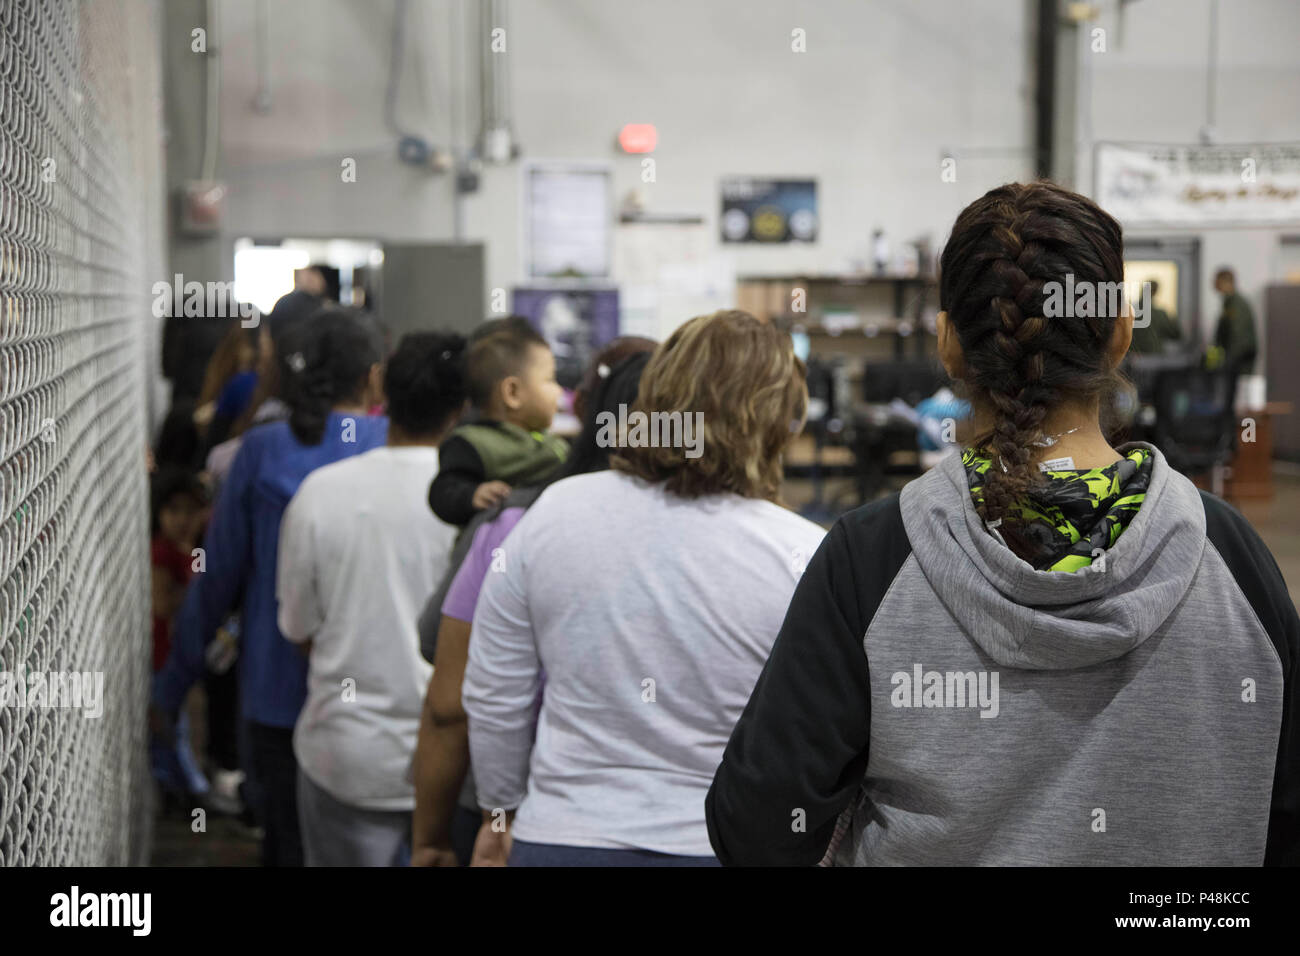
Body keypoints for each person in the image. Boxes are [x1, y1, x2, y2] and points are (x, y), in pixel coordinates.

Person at [705, 182, 1299, 866]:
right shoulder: (1234, 559)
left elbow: (757, 829)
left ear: (949, 345)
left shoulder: (869, 561)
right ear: (1119, 336)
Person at [461, 310, 827, 866]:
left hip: (563, 836)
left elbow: (495, 692)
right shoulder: (800, 552)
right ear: (780, 421)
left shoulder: (556, 513)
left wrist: (498, 810)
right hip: (723, 844)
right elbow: (822, 736)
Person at [153, 306, 388, 867]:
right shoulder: (397, 450)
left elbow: (216, 578)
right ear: (373, 377)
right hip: (384, 697)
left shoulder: (263, 451)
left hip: (279, 697)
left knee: (287, 846)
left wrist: (171, 686)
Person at [410, 337, 656, 867]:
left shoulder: (516, 519)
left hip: (520, 813)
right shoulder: (736, 537)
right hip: (681, 826)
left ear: (587, 411)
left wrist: (429, 839)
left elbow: (450, 703)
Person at [276, 332, 467, 866]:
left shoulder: (320, 492)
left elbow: (299, 629)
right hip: (457, 764)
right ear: (464, 406)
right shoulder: (485, 508)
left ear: (381, 386)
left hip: (346, 754)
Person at [427, 317, 568, 527]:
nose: (560, 390)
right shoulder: (472, 443)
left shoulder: (550, 440)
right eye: (550, 379)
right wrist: (471, 494)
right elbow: (443, 490)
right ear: (512, 392)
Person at [1211, 267, 1258, 375]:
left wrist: (1228, 360)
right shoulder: (1228, 303)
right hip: (1234, 359)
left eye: (1217, 281)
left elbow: (1237, 334)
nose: (1214, 284)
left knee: (1236, 390)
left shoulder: (1236, 304)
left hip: (1240, 360)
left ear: (1225, 282)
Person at [1127, 279, 1180, 355]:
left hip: (1133, 358)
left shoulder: (1130, 311)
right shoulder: (1160, 314)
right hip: (1154, 358)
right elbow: (1175, 334)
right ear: (1155, 292)